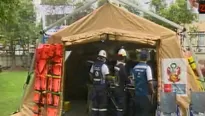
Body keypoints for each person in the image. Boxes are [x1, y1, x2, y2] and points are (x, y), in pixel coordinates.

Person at [131, 49, 155, 116]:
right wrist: (152, 91)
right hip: (145, 95)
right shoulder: (147, 68)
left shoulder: (135, 68)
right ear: (147, 58)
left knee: (138, 113)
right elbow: (150, 82)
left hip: (137, 95)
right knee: (145, 113)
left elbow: (133, 82)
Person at [89, 50, 110, 116]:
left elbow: (90, 74)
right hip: (102, 88)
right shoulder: (104, 66)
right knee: (102, 107)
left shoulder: (94, 65)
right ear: (104, 58)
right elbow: (107, 77)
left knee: (94, 106)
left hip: (95, 87)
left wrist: (93, 81)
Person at [113, 48, 130, 116]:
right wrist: (129, 80)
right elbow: (125, 78)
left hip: (116, 88)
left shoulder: (116, 66)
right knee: (121, 108)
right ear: (124, 57)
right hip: (121, 89)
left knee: (117, 107)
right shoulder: (122, 67)